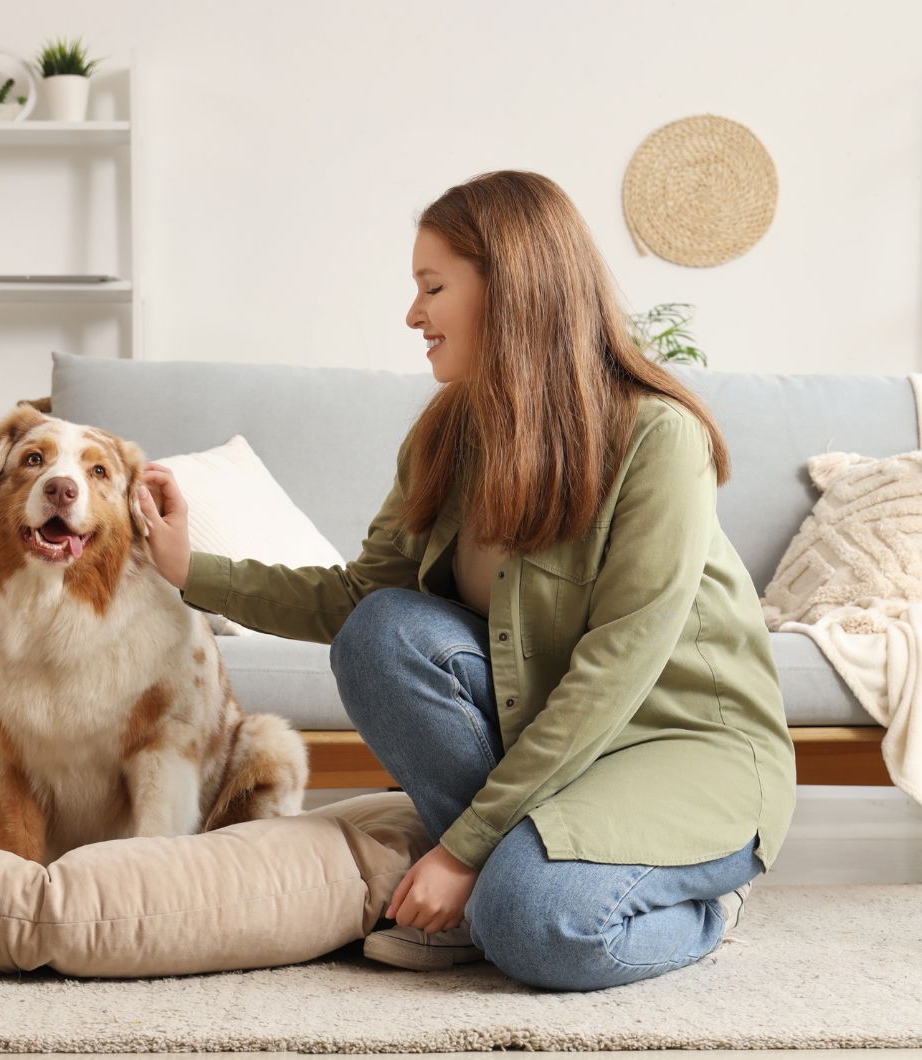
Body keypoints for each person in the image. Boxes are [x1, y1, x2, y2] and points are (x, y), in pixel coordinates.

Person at [135, 169, 797, 993]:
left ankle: (704, 908)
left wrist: (459, 849)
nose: (414, 315)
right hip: (555, 753)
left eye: (433, 287)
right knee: (383, 631)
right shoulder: (446, 437)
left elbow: (614, 670)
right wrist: (188, 568)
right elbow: (354, 602)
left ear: (511, 287)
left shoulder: (659, 437)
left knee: (538, 925)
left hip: (679, 749)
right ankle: (494, 890)